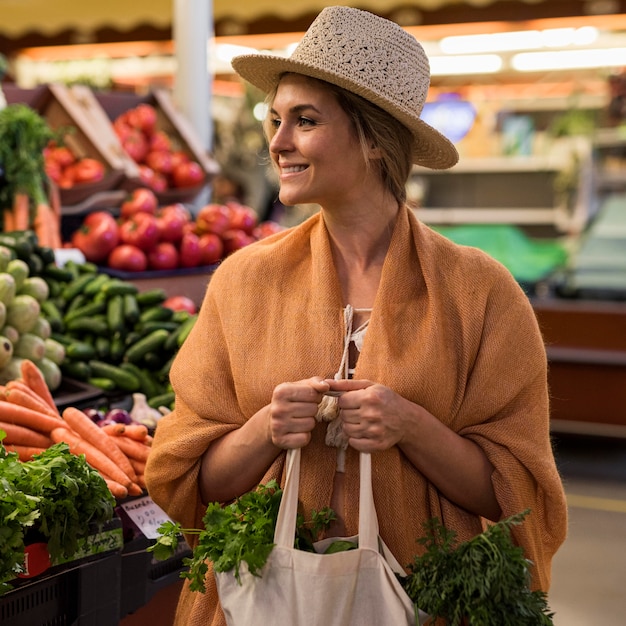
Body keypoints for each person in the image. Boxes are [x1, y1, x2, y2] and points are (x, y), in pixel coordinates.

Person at [145, 6, 568, 625]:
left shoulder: (480, 293)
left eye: (305, 121)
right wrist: (264, 427)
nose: (278, 142)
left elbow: (520, 491)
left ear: (373, 139)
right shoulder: (244, 281)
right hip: (259, 602)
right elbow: (188, 477)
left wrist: (413, 427)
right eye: (276, 119)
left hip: (429, 601)